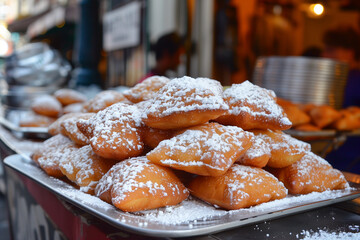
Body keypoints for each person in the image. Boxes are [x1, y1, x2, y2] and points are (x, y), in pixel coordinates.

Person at [322, 26, 360, 173]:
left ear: (349, 53)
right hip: (333, 156)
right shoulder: (336, 79)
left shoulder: (355, 80)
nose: (324, 55)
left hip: (353, 161)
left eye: (330, 50)